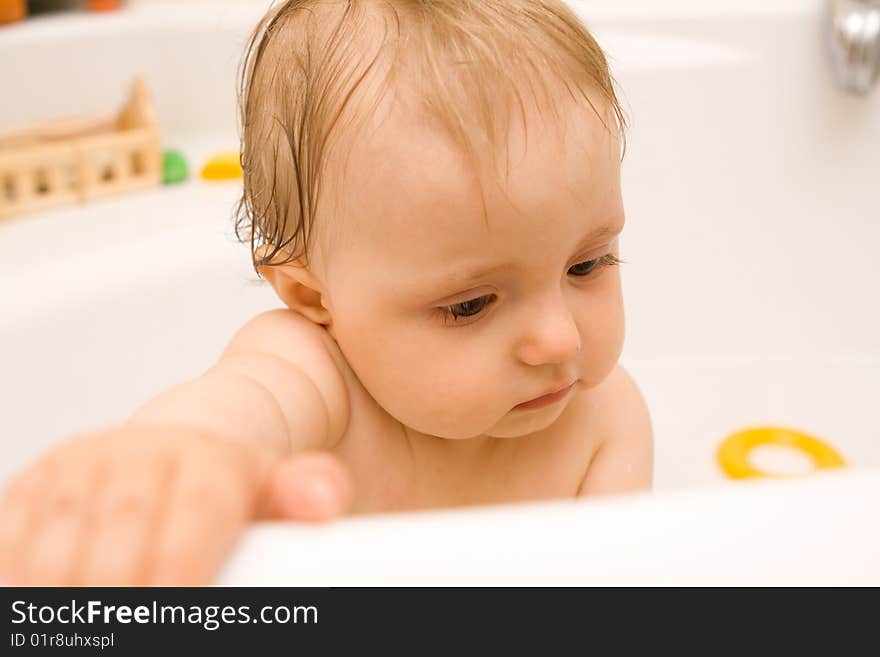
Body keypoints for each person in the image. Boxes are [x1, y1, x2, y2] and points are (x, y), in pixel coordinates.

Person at [0, 0, 653, 586]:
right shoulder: (317, 376)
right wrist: (172, 457)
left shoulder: (604, 422)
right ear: (314, 299)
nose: (559, 339)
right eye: (470, 304)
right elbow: (233, 411)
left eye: (589, 264)